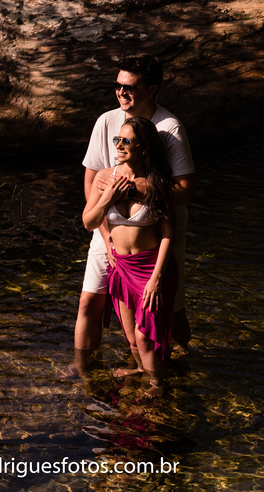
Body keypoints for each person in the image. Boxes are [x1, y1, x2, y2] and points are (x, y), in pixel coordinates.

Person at [67, 55, 195, 378]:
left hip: (154, 235)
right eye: (117, 86)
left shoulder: (168, 129)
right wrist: (105, 224)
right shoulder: (107, 122)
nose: (121, 93)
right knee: (89, 303)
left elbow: (186, 189)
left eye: (129, 87)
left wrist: (138, 193)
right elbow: (92, 179)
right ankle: (84, 371)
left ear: (151, 90)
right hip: (108, 227)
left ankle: (178, 365)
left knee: (170, 311)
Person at [83, 115, 178, 397]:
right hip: (121, 268)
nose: (120, 145)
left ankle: (159, 386)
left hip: (150, 269)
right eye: (118, 140)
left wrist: (156, 278)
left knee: (144, 335)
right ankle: (140, 369)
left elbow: (168, 234)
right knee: (132, 340)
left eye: (127, 141)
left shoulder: (156, 184)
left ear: (144, 147)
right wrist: (108, 198)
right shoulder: (104, 178)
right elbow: (89, 221)